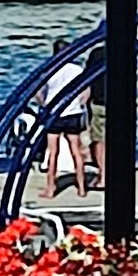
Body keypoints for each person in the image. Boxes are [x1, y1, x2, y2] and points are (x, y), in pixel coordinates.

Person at [40, 39, 91, 198]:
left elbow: (37, 91)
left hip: (54, 113)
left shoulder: (50, 69)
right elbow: (86, 91)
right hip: (73, 112)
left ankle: (50, 188)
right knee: (76, 151)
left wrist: (43, 104)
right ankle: (81, 187)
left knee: (53, 152)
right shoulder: (77, 70)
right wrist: (80, 104)